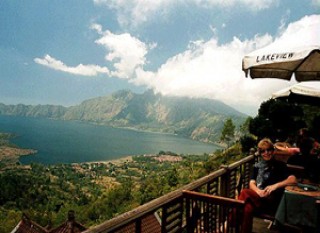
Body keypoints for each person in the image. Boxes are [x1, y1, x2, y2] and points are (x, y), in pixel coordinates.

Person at [237, 138, 297, 233]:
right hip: (257, 198)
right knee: (247, 209)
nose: (266, 153)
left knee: (244, 192)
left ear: (273, 151)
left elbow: (293, 179)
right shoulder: (257, 166)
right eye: (263, 151)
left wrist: (275, 186)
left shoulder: (280, 165)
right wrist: (258, 191)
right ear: (260, 153)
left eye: (269, 150)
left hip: (270, 202)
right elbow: (252, 183)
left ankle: (226, 225)